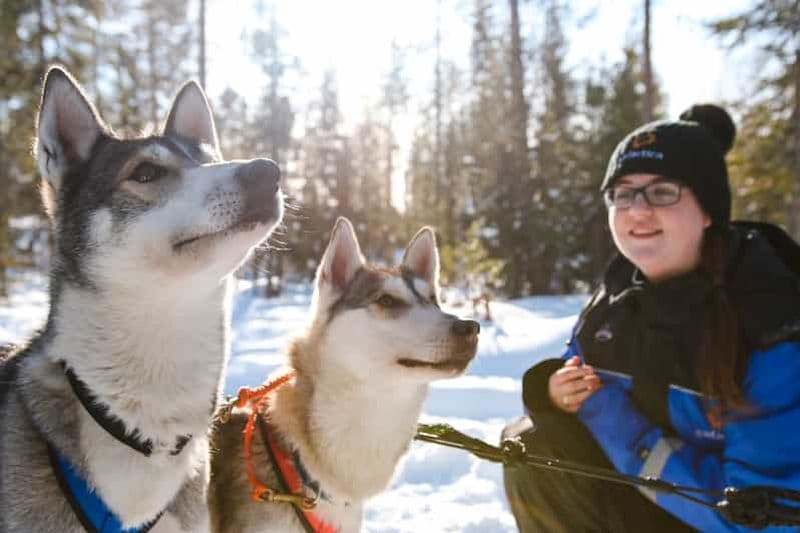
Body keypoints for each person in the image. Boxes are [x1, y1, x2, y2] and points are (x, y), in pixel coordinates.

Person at [503, 104, 800, 532]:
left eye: (663, 192)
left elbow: (759, 517)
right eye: (623, 193)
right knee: (532, 447)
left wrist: (603, 410)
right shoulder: (619, 293)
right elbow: (579, 373)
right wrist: (554, 393)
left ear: (709, 210)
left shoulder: (769, 316)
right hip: (658, 502)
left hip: (725, 521)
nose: (638, 210)